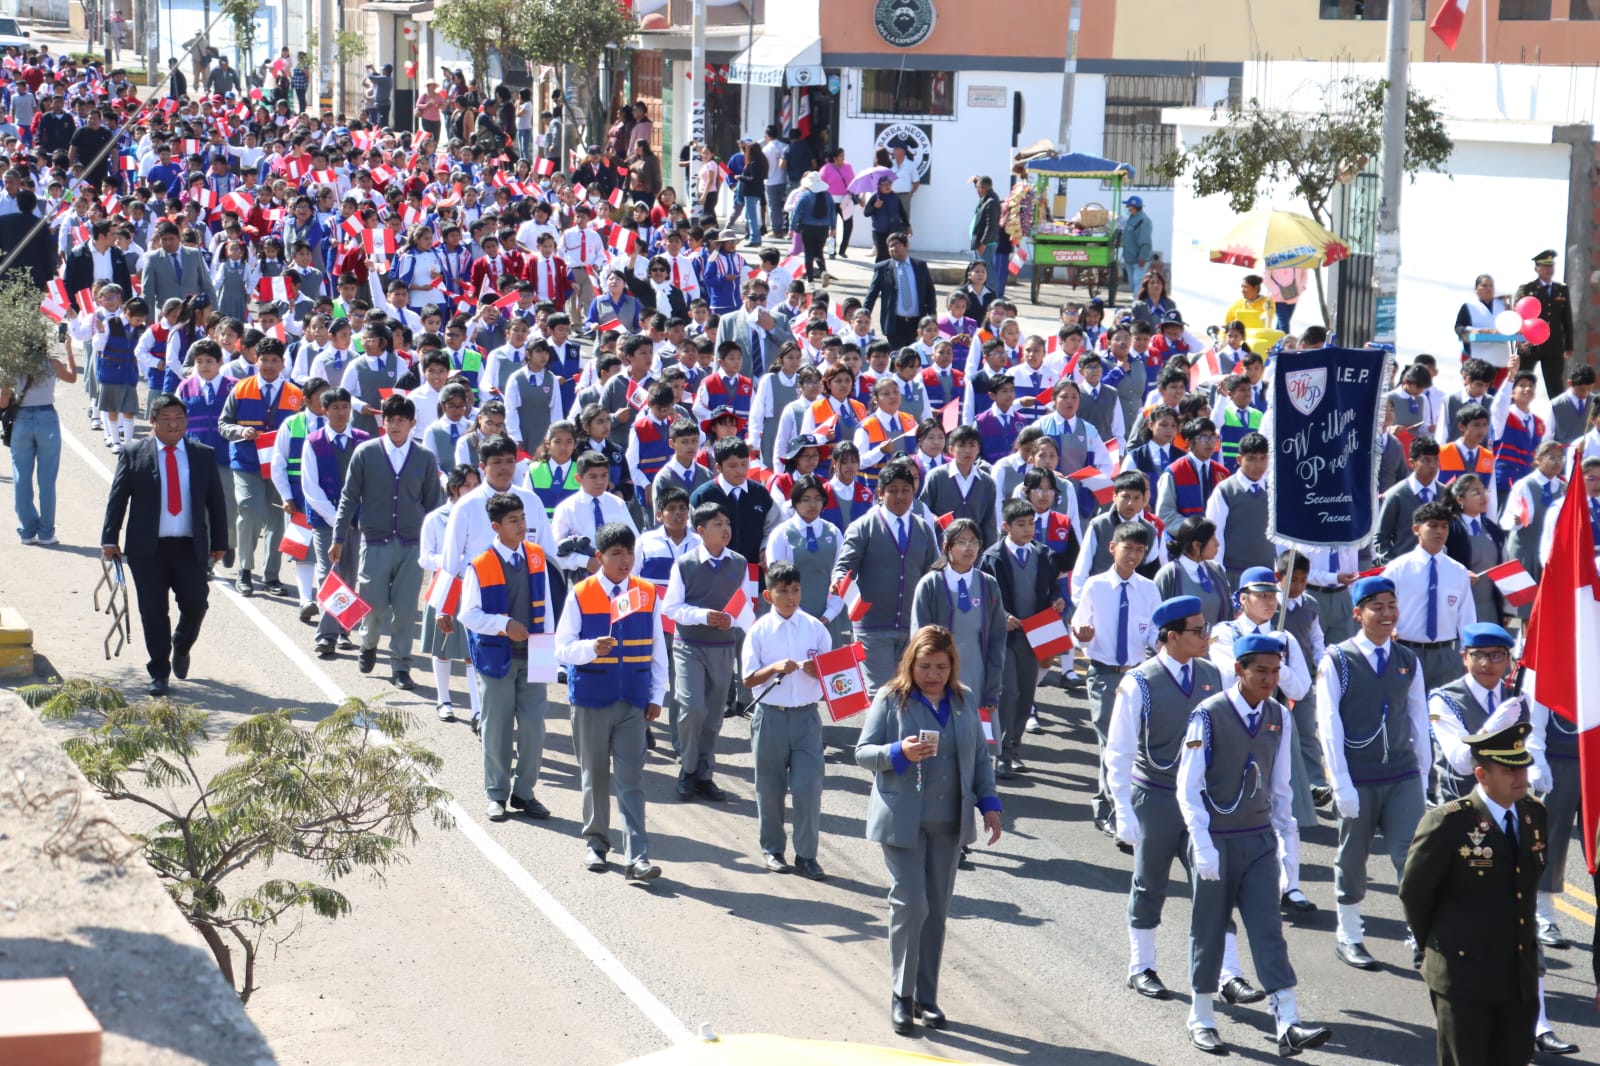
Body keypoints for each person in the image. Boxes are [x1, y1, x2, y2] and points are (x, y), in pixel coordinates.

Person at [1176, 632, 1332, 1056]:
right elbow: (1187, 786)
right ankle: (1202, 1015)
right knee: (1208, 928)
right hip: (1217, 839)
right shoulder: (1207, 715)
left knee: (1268, 929)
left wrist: (1287, 844)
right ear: (1238, 670)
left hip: (1259, 838)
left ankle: (1288, 1021)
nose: (1268, 678)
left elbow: (1281, 788)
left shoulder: (1278, 715)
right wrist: (1201, 842)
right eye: (1259, 670)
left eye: (1274, 670)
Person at [855, 625, 1002, 1036]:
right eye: (925, 666)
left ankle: (926, 997)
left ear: (952, 665)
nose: (933, 675)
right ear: (911, 664)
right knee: (910, 904)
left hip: (948, 821)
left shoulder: (963, 700)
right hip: (902, 820)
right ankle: (901, 996)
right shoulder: (891, 699)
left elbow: (978, 757)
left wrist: (989, 804)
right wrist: (896, 752)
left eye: (941, 666)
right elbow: (862, 753)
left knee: (936, 910)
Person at [1109, 596, 1254, 1003]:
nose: (1205, 636)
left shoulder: (1214, 674)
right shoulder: (1139, 681)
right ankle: (1141, 966)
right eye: (1197, 630)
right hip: (1154, 796)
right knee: (1150, 882)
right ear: (1171, 637)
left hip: (1200, 801)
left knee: (1214, 884)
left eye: (1206, 628)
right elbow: (1118, 750)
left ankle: (1229, 974)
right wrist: (1122, 808)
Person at [1398, 721, 1543, 1066]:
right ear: (1481, 774)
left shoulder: (1535, 815)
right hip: (1464, 978)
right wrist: (1437, 949)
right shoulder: (1448, 823)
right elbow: (1415, 895)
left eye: (1522, 766)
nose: (1520, 775)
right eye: (1509, 769)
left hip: (1517, 977)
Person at [1314, 575, 1430, 971]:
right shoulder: (1338, 660)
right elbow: (1327, 723)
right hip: (1358, 777)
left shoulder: (1406, 659)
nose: (1386, 613)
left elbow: (1418, 720)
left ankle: (1419, 933)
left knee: (1413, 858)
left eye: (1391, 605)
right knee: (1353, 857)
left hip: (1401, 776)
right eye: (1376, 607)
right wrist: (1339, 781)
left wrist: (1424, 774)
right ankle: (1349, 935)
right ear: (1358, 613)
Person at [554, 521, 667, 882]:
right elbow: (562, 647)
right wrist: (591, 648)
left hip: (633, 701)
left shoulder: (647, 593)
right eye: (616, 553)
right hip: (590, 699)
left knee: (631, 780)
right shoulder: (581, 592)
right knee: (595, 776)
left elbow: (658, 650)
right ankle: (597, 844)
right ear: (600, 557)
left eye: (629, 552)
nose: (625, 560)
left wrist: (656, 695)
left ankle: (638, 855)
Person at [100, 394, 230, 697]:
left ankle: (181, 646)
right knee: (153, 610)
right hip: (148, 550)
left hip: (189, 547)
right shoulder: (134, 453)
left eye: (179, 419)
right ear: (153, 421)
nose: (174, 425)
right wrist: (110, 538)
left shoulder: (202, 454)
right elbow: (117, 498)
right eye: (167, 420)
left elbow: (217, 503)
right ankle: (159, 670)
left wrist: (221, 542)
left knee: (196, 603)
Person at [330, 394, 445, 690]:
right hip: (375, 539)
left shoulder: (425, 457)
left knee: (405, 609)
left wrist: (436, 548)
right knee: (374, 604)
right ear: (383, 422)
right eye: (390, 420)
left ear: (412, 424)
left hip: (411, 543)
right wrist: (338, 536)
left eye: (401, 421)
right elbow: (349, 497)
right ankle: (368, 643)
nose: (395, 426)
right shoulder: (366, 453)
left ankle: (401, 665)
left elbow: (434, 505)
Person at [458, 492, 553, 822]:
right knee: (496, 729)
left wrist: (550, 655)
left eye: (523, 519)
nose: (522, 525)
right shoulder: (480, 564)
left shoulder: (537, 556)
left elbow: (548, 609)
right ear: (496, 526)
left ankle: (524, 793)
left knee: (533, 729)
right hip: (496, 659)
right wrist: (503, 625)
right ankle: (496, 794)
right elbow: (467, 614)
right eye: (514, 521)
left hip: (534, 654)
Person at [741, 560, 832, 879]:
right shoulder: (759, 631)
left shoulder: (815, 628)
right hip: (770, 718)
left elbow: (834, 675)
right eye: (783, 592)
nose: (791, 598)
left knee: (808, 788)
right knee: (770, 787)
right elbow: (749, 679)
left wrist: (817, 669)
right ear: (769, 595)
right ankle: (773, 849)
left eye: (795, 590)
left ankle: (807, 855)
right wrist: (774, 667)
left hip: (807, 718)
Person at [1071, 521, 1161, 840]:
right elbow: (1079, 626)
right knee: (1111, 742)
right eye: (1128, 548)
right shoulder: (1095, 586)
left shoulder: (1149, 589)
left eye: (1140, 550)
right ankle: (1116, 810)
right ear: (1113, 548)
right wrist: (1082, 635)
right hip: (1104, 674)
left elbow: (1153, 631)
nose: (1133, 555)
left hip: (1137, 676)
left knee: (1130, 743)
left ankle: (1104, 801)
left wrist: (1162, 643)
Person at [662, 503, 749, 801]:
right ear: (700, 531)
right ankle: (686, 770)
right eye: (717, 524)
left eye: (727, 522)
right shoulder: (685, 563)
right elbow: (671, 607)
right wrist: (703, 616)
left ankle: (704, 773)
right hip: (689, 646)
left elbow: (746, 606)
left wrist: (732, 619)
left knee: (713, 716)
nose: (725, 529)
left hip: (723, 647)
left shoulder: (739, 563)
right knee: (691, 708)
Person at [833, 458, 941, 693]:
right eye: (893, 491)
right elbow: (844, 568)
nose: (900, 496)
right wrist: (839, 581)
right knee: (881, 694)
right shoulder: (863, 526)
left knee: (910, 693)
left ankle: (901, 733)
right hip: (872, 626)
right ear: (880, 493)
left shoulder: (923, 528)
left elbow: (934, 574)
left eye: (906, 490)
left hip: (912, 626)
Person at [4, 335, 77, 546]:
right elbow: (72, 378)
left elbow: (3, 401)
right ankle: (46, 533)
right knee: (47, 480)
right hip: (47, 419)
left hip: (21, 421)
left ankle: (26, 531)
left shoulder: (13, 367)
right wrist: (69, 351)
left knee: (21, 478)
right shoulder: (51, 363)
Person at [1513, 250, 1574, 398]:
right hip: (1530, 345)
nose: (1549, 270)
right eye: (1545, 266)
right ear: (1537, 269)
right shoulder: (1527, 289)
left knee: (1555, 388)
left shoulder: (1561, 289)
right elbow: (1517, 316)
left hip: (1553, 346)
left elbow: (1567, 319)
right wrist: (1519, 341)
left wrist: (1569, 346)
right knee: (1522, 382)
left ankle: (1558, 419)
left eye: (1551, 266)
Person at [865, 232, 937, 350]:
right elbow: (871, 295)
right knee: (899, 358)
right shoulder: (883, 268)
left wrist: (932, 316)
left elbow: (930, 292)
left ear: (906, 245)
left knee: (915, 357)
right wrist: (864, 315)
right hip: (895, 324)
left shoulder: (920, 266)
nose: (893, 248)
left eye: (896, 244)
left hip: (917, 323)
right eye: (890, 246)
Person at [1119, 196, 1153, 301]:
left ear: (1133, 207)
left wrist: (1142, 257)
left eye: (1128, 206)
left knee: (1138, 283)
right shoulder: (1132, 218)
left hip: (1139, 260)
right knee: (1133, 284)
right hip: (1130, 259)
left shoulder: (1143, 221)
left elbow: (1146, 242)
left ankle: (1137, 306)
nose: (1127, 207)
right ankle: (1140, 301)